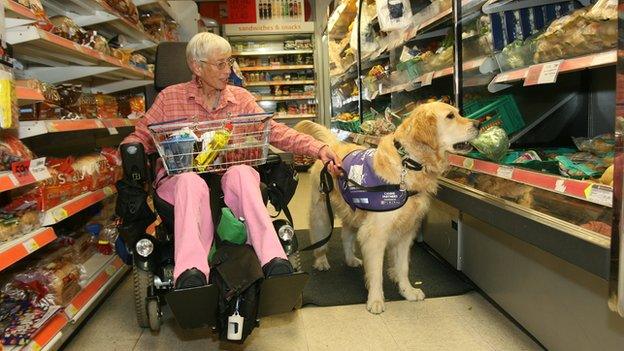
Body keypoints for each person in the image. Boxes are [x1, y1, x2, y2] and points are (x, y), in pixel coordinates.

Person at [122, 32, 341, 289]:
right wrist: (130, 151)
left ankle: (273, 259)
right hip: (181, 181)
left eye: (230, 62)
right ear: (196, 66)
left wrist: (318, 148)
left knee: (243, 173)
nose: (229, 70)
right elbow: (141, 135)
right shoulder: (170, 98)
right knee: (190, 181)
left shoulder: (240, 99)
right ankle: (191, 271)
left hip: (229, 182)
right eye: (221, 64)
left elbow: (274, 132)